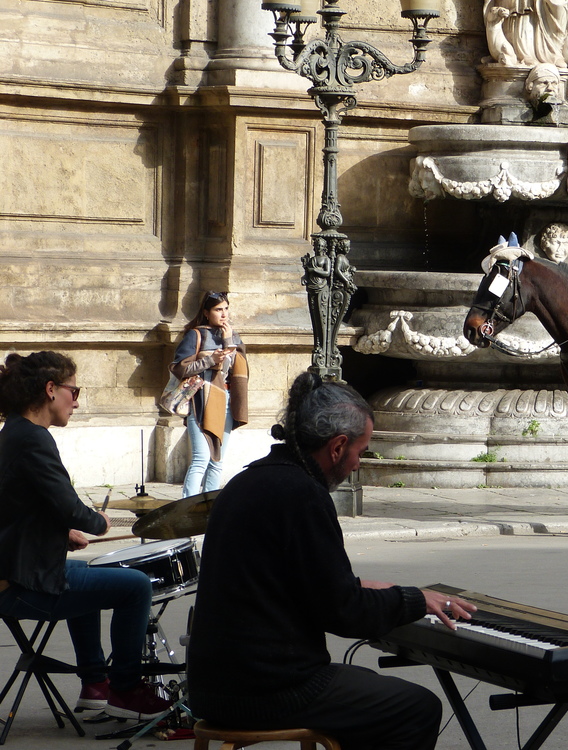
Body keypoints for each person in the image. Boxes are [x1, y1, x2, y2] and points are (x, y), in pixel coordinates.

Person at [187, 374, 476, 750]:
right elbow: (343, 613)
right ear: (338, 446)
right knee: (415, 707)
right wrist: (414, 601)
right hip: (267, 690)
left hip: (214, 686)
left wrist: (374, 589)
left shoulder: (247, 483)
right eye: (361, 451)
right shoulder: (303, 495)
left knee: (366, 697)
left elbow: (293, 585)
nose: (358, 463)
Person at [0, 351, 173, 719]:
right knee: (136, 586)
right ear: (51, 390)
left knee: (93, 577)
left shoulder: (15, 432)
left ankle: (95, 684)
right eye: (73, 391)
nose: (76, 401)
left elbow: (18, 509)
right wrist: (97, 522)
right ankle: (125, 690)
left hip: (20, 571)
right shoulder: (33, 439)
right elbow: (69, 506)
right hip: (21, 585)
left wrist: (62, 534)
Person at [170, 291, 249, 498]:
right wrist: (210, 360)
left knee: (217, 461)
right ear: (206, 312)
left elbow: (236, 370)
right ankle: (186, 511)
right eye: (218, 309)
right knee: (201, 459)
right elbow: (180, 369)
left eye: (226, 308)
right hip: (201, 402)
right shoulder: (196, 334)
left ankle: (208, 514)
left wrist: (228, 341)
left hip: (226, 401)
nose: (223, 314)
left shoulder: (234, 335)